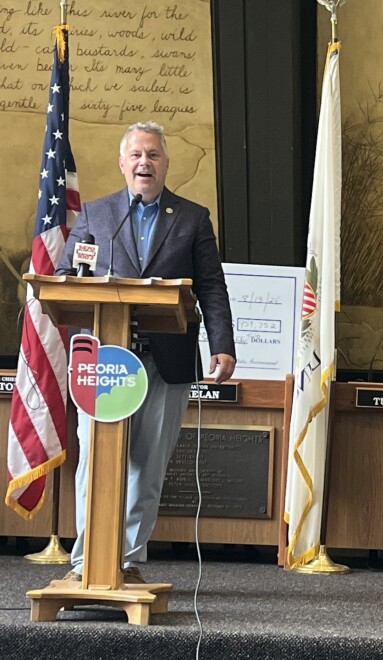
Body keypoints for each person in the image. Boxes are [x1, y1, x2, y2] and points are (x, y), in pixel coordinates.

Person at [56, 121, 236, 583]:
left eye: (153, 155)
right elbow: (65, 276)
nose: (144, 163)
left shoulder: (193, 218)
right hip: (104, 361)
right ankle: (86, 563)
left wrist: (223, 346)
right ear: (122, 163)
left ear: (166, 164)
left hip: (165, 361)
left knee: (147, 466)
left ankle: (129, 561)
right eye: (136, 155)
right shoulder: (97, 216)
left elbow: (212, 287)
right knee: (95, 460)